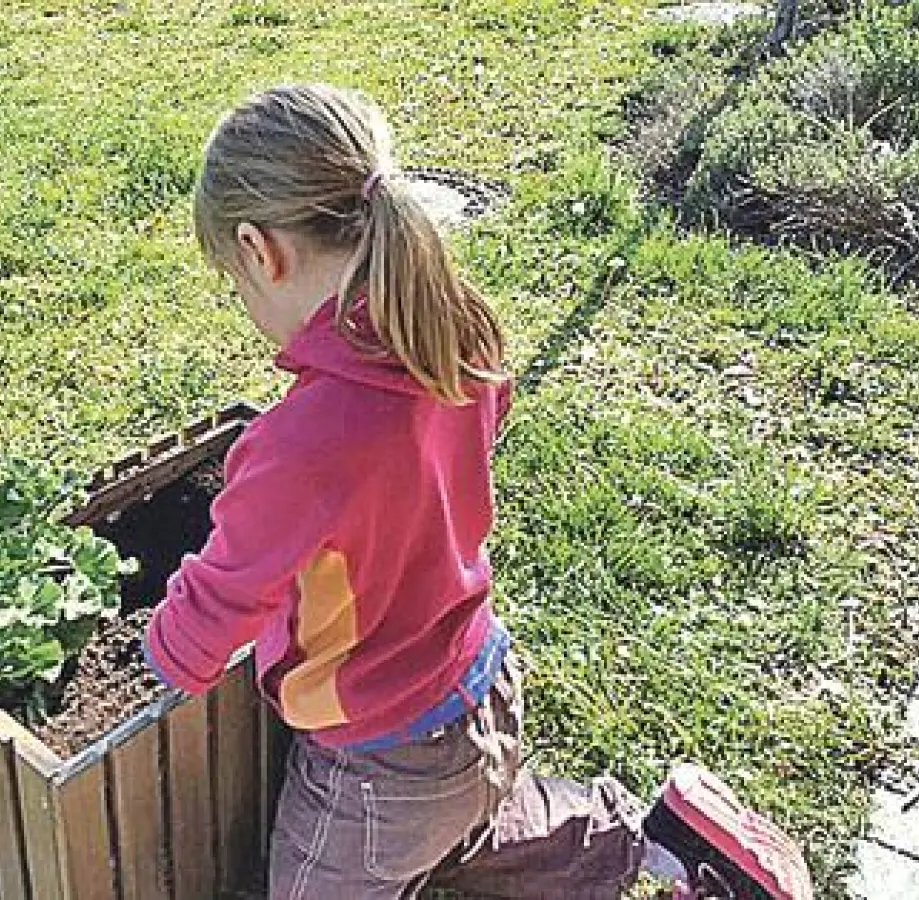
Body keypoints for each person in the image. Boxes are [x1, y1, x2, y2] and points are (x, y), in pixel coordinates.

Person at [142, 83, 814, 900]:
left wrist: (162, 654)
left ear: (260, 251)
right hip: (478, 684)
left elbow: (221, 598)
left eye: (233, 281)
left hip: (376, 764)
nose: (243, 301)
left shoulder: (300, 444)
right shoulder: (453, 333)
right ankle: (656, 841)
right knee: (478, 825)